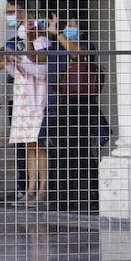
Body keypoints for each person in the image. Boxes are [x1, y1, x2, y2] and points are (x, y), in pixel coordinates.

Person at [46, 15, 102, 210]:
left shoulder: (86, 44)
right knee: (60, 150)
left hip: (82, 105)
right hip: (60, 105)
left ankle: (90, 193)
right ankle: (63, 194)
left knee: (83, 150)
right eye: (67, 24)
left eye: (74, 24)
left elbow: (77, 54)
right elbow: (37, 58)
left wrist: (59, 34)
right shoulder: (56, 47)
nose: (70, 27)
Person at [7, 19, 50, 205]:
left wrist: (22, 65)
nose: (25, 29)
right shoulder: (20, 44)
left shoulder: (44, 43)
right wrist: (9, 62)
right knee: (28, 147)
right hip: (22, 101)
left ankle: (42, 189)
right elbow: (16, 73)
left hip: (37, 101)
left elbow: (42, 69)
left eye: (29, 25)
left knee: (39, 147)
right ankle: (30, 188)